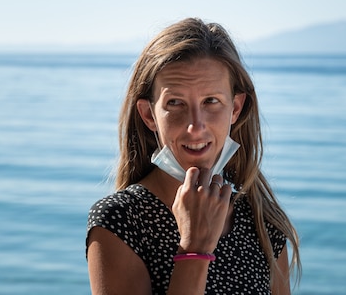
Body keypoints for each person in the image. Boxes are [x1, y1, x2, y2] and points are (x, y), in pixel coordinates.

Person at [86, 18, 301, 294]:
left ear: (235, 109)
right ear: (149, 115)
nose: (195, 127)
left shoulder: (262, 223)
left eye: (211, 101)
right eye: (175, 103)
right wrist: (195, 249)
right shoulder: (120, 222)